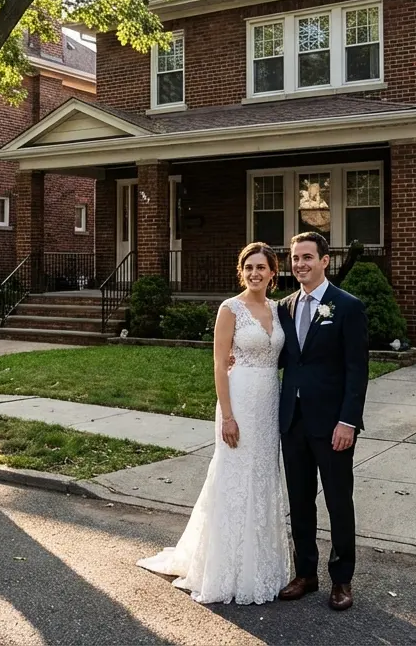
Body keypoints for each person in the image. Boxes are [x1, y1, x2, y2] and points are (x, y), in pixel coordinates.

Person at [137, 242, 293, 604]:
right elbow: (220, 365)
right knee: (234, 476)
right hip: (238, 401)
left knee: (263, 477)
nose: (255, 273)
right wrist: (228, 416)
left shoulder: (278, 309)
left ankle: (261, 563)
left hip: (269, 402)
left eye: (261, 267)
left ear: (273, 272)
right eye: (248, 267)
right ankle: (226, 567)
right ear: (242, 272)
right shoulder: (230, 309)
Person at [274, 231, 369, 611]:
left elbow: (357, 370)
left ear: (324, 261)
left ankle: (342, 579)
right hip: (293, 421)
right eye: (295, 258)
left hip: (332, 424)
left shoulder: (347, 306)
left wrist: (348, 421)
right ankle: (306, 574)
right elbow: (284, 358)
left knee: (338, 501)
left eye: (307, 257)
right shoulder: (284, 307)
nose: (300, 264)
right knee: (299, 501)